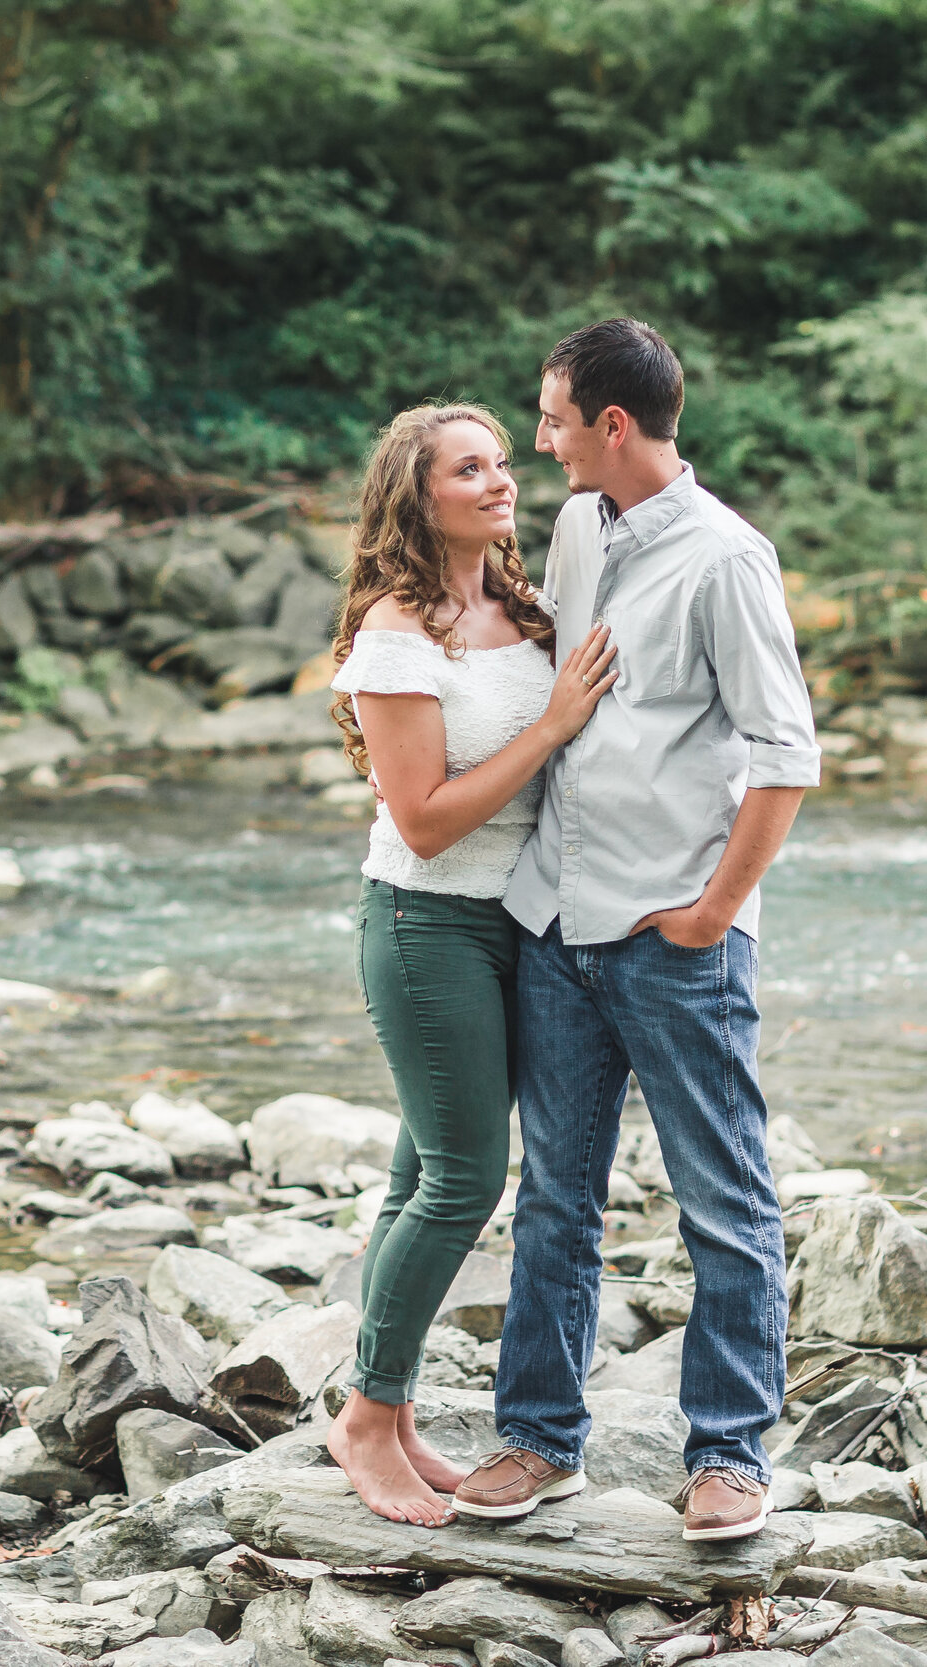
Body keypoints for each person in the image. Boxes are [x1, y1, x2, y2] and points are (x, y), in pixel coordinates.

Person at [453, 320, 821, 1542]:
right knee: (554, 1194)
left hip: (674, 934)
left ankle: (727, 1454)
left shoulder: (727, 560)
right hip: (556, 919)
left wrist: (714, 910)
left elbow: (785, 754)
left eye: (552, 418)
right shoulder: (574, 527)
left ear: (613, 424)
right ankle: (538, 1439)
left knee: (724, 1197)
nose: (539, 439)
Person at [322, 402, 622, 1526]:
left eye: (502, 461)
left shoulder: (522, 601)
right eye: (470, 468)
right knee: (461, 1181)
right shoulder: (400, 631)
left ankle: (390, 1416)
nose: (501, 481)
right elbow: (428, 818)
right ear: (419, 494)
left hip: (525, 923)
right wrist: (547, 727)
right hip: (427, 922)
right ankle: (365, 1414)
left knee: (417, 1177)